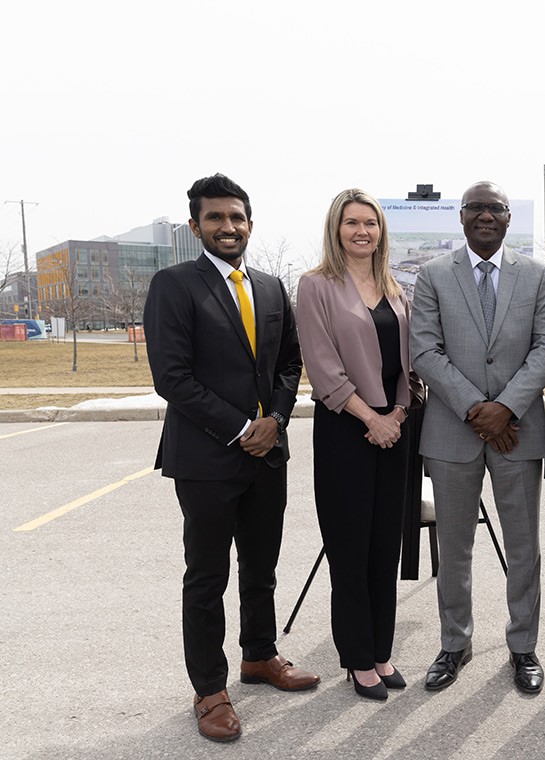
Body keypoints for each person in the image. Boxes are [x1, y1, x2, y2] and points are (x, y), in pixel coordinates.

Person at [143, 174, 318, 743]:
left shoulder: (270, 287)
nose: (228, 227)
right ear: (195, 226)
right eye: (215, 218)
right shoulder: (174, 286)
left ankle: (259, 656)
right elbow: (172, 377)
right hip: (206, 460)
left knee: (261, 568)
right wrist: (244, 427)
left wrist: (278, 421)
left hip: (269, 455)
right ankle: (210, 689)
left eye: (237, 217)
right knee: (207, 576)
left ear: (250, 222)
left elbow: (290, 363)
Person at [410, 181, 545, 694]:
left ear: (507, 218)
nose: (485, 216)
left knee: (523, 548)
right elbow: (425, 351)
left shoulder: (538, 276)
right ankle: (455, 643)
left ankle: (523, 646)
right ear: (461, 216)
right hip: (454, 433)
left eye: (495, 208)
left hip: (517, 432)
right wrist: (479, 410)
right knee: (454, 549)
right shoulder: (432, 275)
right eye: (475, 207)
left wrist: (506, 408)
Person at [295, 189, 424, 701]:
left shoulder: (395, 288)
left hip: (394, 430)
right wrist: (371, 417)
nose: (362, 231)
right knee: (350, 548)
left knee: (383, 547)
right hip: (346, 429)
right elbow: (323, 366)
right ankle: (355, 658)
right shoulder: (315, 286)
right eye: (351, 222)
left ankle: (381, 651)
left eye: (370, 222)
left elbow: (407, 362)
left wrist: (395, 416)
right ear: (336, 229)